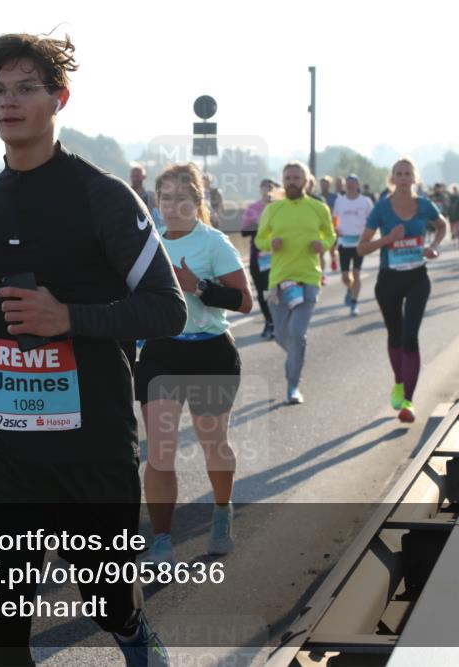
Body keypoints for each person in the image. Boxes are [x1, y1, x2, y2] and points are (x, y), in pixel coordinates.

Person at [0, 32, 185, 666]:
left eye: (26, 89)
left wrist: (68, 317)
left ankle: (132, 630)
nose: (9, 103)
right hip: (8, 440)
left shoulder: (103, 195)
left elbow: (166, 309)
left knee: (105, 597)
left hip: (91, 438)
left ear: (59, 98)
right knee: (2, 621)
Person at [136, 163, 251, 569]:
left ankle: (222, 512)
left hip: (209, 352)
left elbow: (244, 302)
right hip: (162, 353)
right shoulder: (148, 244)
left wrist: (198, 286)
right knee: (160, 452)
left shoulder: (213, 243)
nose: (172, 207)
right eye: (165, 198)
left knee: (213, 444)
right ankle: (162, 540)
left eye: (182, 199)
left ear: (197, 202)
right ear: (156, 201)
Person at [357, 158, 446, 423]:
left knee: (411, 335)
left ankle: (408, 400)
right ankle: (399, 380)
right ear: (392, 179)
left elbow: (442, 225)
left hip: (418, 277)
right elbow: (362, 247)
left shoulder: (424, 205)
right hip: (389, 280)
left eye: (408, 174)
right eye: (399, 174)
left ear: (414, 178)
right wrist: (387, 239)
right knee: (395, 335)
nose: (404, 178)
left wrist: (435, 246)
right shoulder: (382, 208)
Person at [255, 161, 336, 404]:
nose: (292, 182)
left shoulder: (318, 208)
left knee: (297, 334)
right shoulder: (273, 209)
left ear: (306, 181)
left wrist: (323, 245)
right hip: (280, 281)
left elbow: (330, 235)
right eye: (288, 177)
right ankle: (296, 358)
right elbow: (259, 240)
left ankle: (293, 386)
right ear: (283, 180)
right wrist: (271, 244)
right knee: (281, 334)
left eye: (297, 178)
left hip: (309, 277)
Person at [240, 178, 278, 339]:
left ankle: (276, 322)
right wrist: (257, 223)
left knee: (275, 291)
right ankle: (270, 322)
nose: (268, 190)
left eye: (271, 187)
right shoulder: (253, 208)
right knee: (262, 292)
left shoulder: (280, 207)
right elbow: (243, 231)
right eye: (265, 187)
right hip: (258, 256)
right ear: (260, 189)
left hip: (277, 257)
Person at [332, 174, 373, 316]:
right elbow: (335, 218)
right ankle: (350, 289)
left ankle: (354, 303)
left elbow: (372, 220)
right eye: (347, 183)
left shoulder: (365, 201)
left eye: (352, 183)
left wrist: (367, 236)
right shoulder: (340, 201)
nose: (349, 185)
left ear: (357, 185)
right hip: (344, 242)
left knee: (356, 272)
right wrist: (336, 229)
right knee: (345, 276)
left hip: (359, 242)